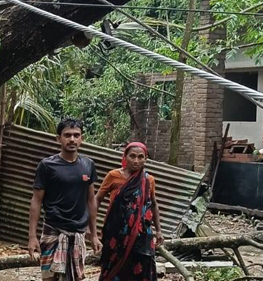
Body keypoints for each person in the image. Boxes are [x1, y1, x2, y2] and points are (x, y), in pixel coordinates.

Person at [28, 118, 101, 281]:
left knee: (75, 277)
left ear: (82, 138)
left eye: (76, 135)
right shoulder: (47, 166)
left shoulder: (88, 165)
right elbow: (36, 201)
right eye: (67, 135)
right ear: (58, 138)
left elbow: (91, 200)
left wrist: (94, 234)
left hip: (78, 233)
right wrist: (32, 237)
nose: (72, 139)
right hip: (53, 230)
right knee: (49, 277)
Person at [95, 142, 163, 281]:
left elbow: (153, 204)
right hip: (116, 234)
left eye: (140, 157)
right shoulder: (113, 176)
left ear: (146, 159)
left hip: (142, 235)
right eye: (132, 156)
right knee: (113, 267)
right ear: (125, 156)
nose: (136, 161)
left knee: (142, 268)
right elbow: (97, 199)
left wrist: (159, 230)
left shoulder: (148, 180)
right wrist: (91, 226)